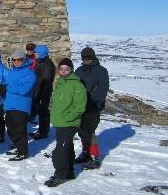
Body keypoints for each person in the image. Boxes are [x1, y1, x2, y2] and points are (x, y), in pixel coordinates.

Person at [44, 58, 87, 187]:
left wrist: (68, 117)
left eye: (66, 69)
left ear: (71, 70)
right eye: (61, 69)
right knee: (67, 147)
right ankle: (69, 172)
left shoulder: (76, 84)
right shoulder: (61, 83)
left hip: (69, 122)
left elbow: (80, 106)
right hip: (60, 121)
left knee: (60, 150)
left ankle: (60, 174)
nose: (63, 71)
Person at [74, 47, 110, 170]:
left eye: (89, 57)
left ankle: (94, 157)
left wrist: (94, 104)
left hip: (93, 107)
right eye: (84, 57)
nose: (87, 59)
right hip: (79, 106)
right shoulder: (79, 70)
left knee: (90, 131)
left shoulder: (101, 71)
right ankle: (85, 153)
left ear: (93, 57)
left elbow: (102, 89)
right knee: (81, 130)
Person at [0, 50, 36, 161]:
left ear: (24, 60)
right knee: (10, 129)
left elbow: (24, 89)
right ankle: (18, 146)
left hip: (21, 105)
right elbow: (6, 84)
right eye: (14, 60)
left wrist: (8, 88)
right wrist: (1, 88)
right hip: (9, 104)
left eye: (19, 60)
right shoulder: (11, 72)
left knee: (19, 130)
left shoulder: (29, 73)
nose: (16, 62)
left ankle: (23, 152)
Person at [29, 45, 56, 139]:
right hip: (38, 91)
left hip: (43, 92)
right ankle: (41, 130)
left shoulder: (47, 65)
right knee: (41, 112)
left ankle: (43, 132)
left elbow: (45, 81)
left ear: (41, 53)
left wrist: (40, 93)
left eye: (36, 52)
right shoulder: (41, 62)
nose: (34, 54)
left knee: (43, 112)